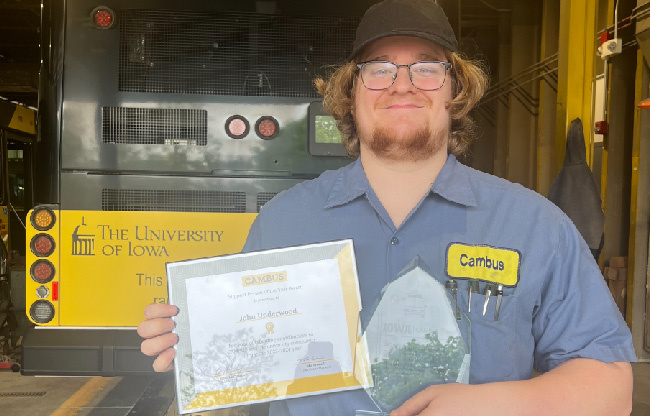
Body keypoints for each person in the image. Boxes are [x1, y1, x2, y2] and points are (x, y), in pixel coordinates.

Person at [138, 0, 636, 414]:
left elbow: (611, 387)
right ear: (350, 95)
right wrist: (199, 343)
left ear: (455, 90)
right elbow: (245, 377)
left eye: (426, 68)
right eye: (378, 69)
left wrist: (492, 403)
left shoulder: (533, 226)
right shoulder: (285, 222)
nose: (402, 83)